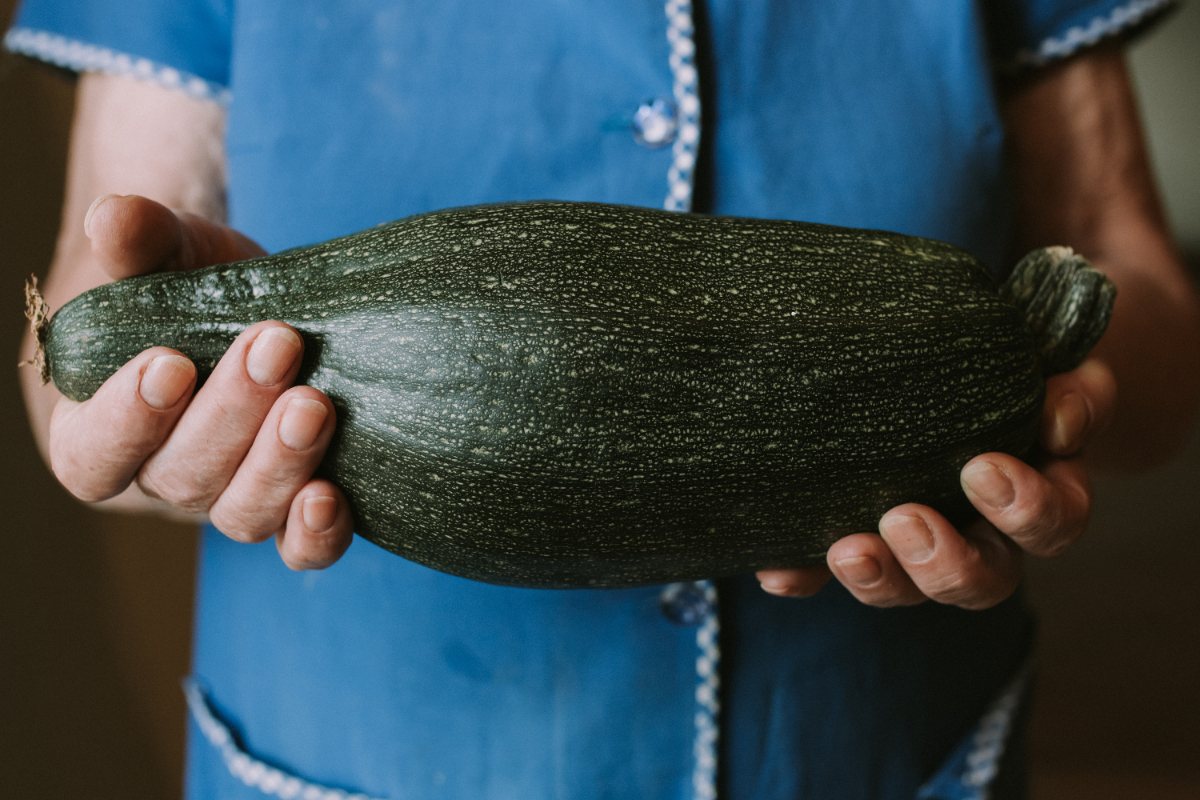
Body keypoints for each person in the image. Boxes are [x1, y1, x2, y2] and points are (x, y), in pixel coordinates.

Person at [8, 1, 1199, 797]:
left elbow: (1132, 285)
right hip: (367, 743)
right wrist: (138, 425)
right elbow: (85, 322)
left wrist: (1060, 407)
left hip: (870, 739)